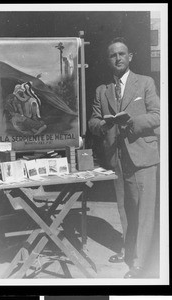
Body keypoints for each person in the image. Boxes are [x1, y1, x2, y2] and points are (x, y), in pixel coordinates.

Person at [88, 37, 160, 278]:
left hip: (143, 155)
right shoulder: (102, 91)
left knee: (144, 211)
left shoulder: (145, 83)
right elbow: (93, 121)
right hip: (117, 157)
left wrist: (132, 122)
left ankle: (139, 262)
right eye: (112, 55)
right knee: (125, 207)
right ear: (109, 60)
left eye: (122, 54)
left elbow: (158, 115)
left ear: (130, 57)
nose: (117, 58)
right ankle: (128, 251)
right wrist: (103, 124)